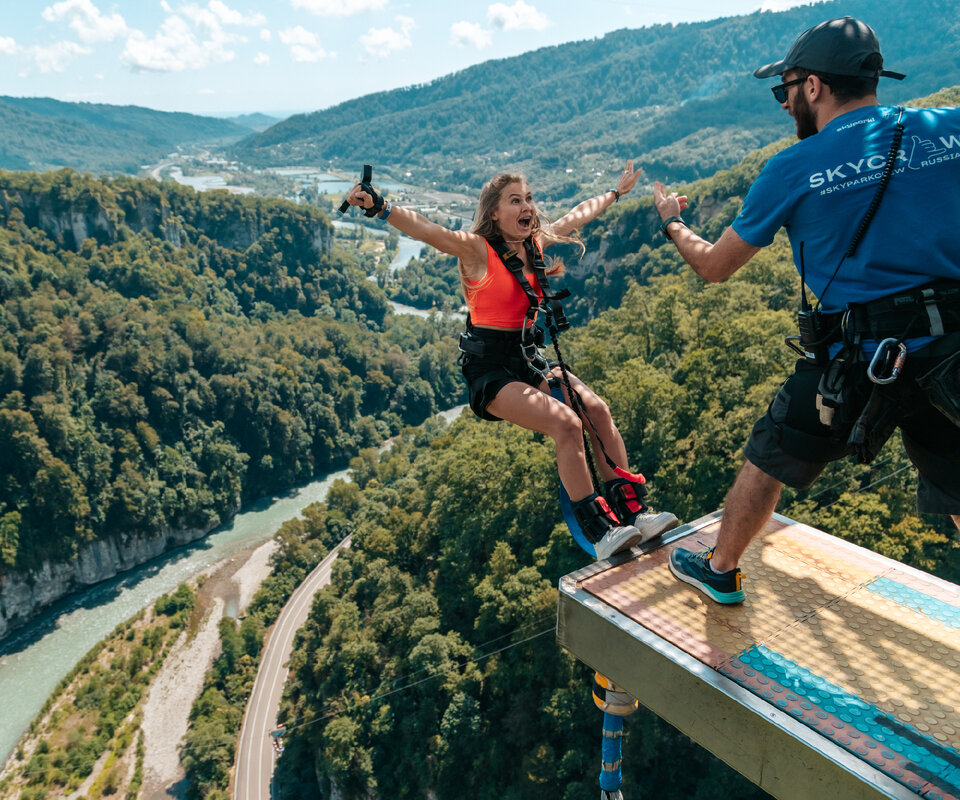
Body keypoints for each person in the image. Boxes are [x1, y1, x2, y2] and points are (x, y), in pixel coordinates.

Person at [652, 16, 960, 604]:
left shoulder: (791, 169)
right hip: (952, 347)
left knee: (773, 451)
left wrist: (672, 222)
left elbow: (715, 266)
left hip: (858, 355)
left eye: (785, 90)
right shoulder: (948, 130)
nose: (784, 103)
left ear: (813, 87)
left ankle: (720, 568)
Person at [345, 163, 680, 560]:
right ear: (494, 214)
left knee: (597, 411)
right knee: (566, 424)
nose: (528, 207)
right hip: (490, 370)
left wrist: (616, 193)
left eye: (529, 199)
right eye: (516, 200)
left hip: (527, 358)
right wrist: (379, 206)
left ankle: (634, 513)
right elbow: (429, 231)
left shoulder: (535, 244)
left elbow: (578, 215)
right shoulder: (477, 249)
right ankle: (601, 531)